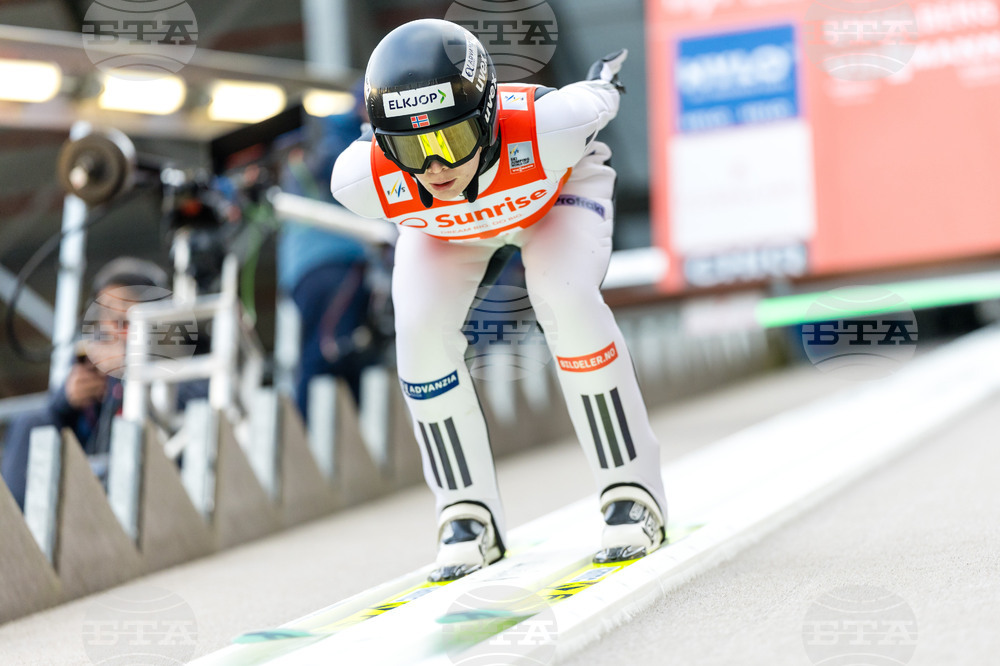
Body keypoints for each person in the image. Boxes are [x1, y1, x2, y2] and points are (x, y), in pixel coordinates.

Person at [331, 19, 667, 582]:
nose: (435, 167)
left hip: (556, 194)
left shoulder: (551, 126)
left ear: (488, 119)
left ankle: (630, 490)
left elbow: (598, 94)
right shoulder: (361, 180)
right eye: (412, 147)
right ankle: (465, 512)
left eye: (451, 140)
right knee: (417, 335)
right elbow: (419, 171)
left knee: (566, 301)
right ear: (383, 144)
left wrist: (604, 78)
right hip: (445, 229)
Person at [0, 258, 203, 509]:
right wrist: (66, 399)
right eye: (107, 317)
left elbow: (196, 405)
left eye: (126, 320)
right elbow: (53, 418)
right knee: (30, 422)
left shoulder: (180, 361)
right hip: (92, 480)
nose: (114, 330)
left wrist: (133, 370)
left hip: (154, 486)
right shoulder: (94, 367)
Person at [278, 86, 381, 418]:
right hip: (330, 261)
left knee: (343, 348)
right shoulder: (334, 136)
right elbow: (337, 174)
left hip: (314, 265)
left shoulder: (329, 135)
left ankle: (350, 434)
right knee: (326, 350)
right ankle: (306, 437)